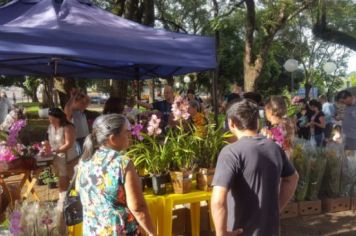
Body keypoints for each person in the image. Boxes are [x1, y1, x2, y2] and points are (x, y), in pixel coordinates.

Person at [211, 99, 298, 236]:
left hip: (240, 231)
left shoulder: (230, 152)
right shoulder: (274, 148)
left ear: (231, 123)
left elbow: (218, 201)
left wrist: (221, 233)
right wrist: (275, 208)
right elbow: (292, 178)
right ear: (257, 122)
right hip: (270, 230)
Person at [75, 114, 155, 236]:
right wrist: (152, 232)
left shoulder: (84, 161)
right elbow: (137, 206)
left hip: (92, 231)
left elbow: (79, 190)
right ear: (112, 139)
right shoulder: (122, 162)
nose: (131, 134)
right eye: (126, 131)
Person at [44, 108, 78, 233]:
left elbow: (69, 143)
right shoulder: (50, 127)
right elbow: (48, 140)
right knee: (61, 179)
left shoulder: (68, 127)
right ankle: (63, 202)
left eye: (51, 117)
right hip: (57, 158)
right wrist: (46, 146)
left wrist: (56, 151)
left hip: (69, 158)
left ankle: (65, 204)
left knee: (68, 181)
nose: (49, 120)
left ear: (57, 117)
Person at [64, 91, 90, 155]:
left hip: (85, 137)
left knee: (86, 155)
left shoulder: (81, 110)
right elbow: (67, 107)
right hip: (77, 139)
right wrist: (73, 96)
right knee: (80, 156)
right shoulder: (70, 111)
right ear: (75, 102)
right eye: (81, 102)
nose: (83, 104)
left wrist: (81, 93)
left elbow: (88, 100)